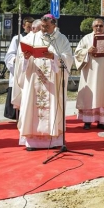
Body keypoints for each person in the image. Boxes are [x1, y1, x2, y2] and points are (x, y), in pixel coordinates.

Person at [12, 14, 74, 151]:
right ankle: (32, 142)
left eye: (46, 26)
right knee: (32, 107)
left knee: (53, 105)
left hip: (53, 80)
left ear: (54, 25)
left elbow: (68, 58)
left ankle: (54, 140)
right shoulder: (31, 37)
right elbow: (20, 57)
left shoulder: (61, 39)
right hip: (34, 77)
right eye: (42, 26)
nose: (43, 29)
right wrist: (26, 57)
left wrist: (54, 56)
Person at [74, 18, 104, 129]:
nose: (99, 28)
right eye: (96, 26)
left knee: (102, 94)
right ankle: (87, 120)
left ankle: (102, 121)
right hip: (90, 72)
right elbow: (77, 53)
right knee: (89, 94)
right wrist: (87, 51)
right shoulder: (86, 38)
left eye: (101, 26)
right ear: (92, 27)